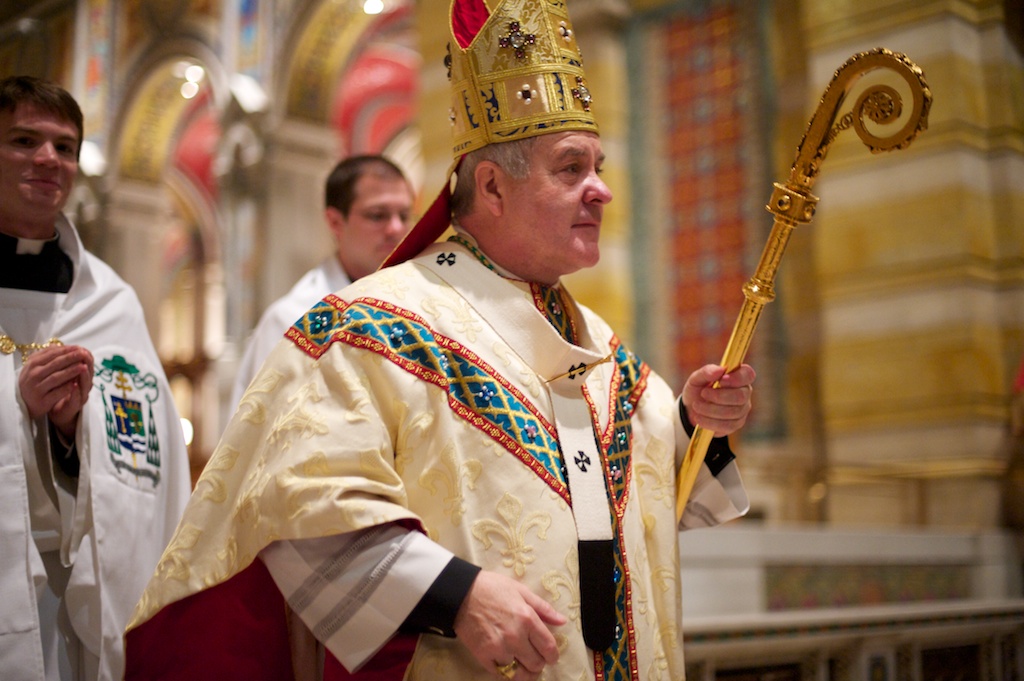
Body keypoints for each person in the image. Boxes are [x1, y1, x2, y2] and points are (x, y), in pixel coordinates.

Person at [124, 1, 756, 679]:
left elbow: (663, 494)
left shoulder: (601, 346)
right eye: (571, 168)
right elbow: (296, 503)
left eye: (597, 165)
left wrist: (696, 423)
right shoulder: (368, 328)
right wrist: (453, 592)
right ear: (491, 185)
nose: (601, 189)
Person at [0, 75, 191, 681]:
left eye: (65, 147)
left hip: (78, 600)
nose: (48, 159)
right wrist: (16, 406)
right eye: (24, 140)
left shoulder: (110, 302)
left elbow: (152, 463)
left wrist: (72, 429)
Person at [230, 155, 414, 408]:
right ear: (335, 222)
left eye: (404, 215)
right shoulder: (293, 320)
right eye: (377, 215)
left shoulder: (419, 305)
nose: (395, 228)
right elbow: (259, 429)